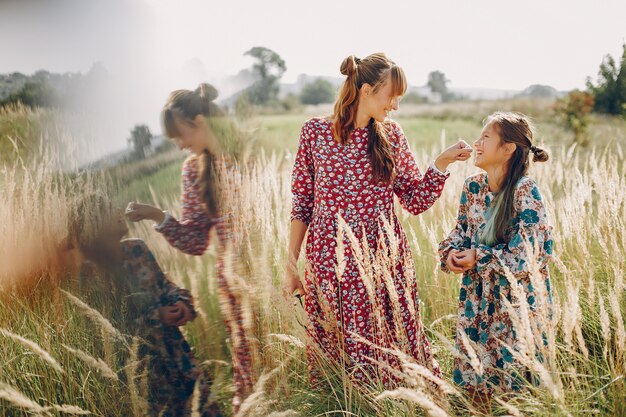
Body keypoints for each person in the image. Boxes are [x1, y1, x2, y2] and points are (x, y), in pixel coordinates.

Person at [284, 53, 472, 386]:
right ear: (367, 90)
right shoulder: (314, 133)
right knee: (335, 352)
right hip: (329, 261)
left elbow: (414, 200)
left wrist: (441, 163)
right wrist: (290, 266)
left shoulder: (392, 136)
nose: (396, 106)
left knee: (391, 345)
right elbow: (302, 204)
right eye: (392, 96)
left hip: (382, 261)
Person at [124, 84, 253, 412]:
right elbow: (195, 242)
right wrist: (157, 215)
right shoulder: (192, 171)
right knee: (250, 371)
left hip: (283, 271)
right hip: (237, 283)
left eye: (179, 135)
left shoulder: (249, 153)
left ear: (200, 120)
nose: (180, 146)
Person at [67, 193, 223, 416]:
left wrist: (181, 301)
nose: (118, 212)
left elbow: (165, 285)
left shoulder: (137, 249)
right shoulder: (92, 272)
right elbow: (109, 327)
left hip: (179, 358)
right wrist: (156, 316)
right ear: (95, 224)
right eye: (109, 210)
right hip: (146, 376)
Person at [438, 111, 553, 409]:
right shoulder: (473, 187)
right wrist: (451, 253)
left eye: (485, 137)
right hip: (477, 304)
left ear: (508, 148)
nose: (476, 143)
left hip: (514, 308)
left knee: (514, 394)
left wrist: (480, 257)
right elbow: (461, 231)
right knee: (477, 386)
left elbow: (533, 253)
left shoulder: (524, 191)